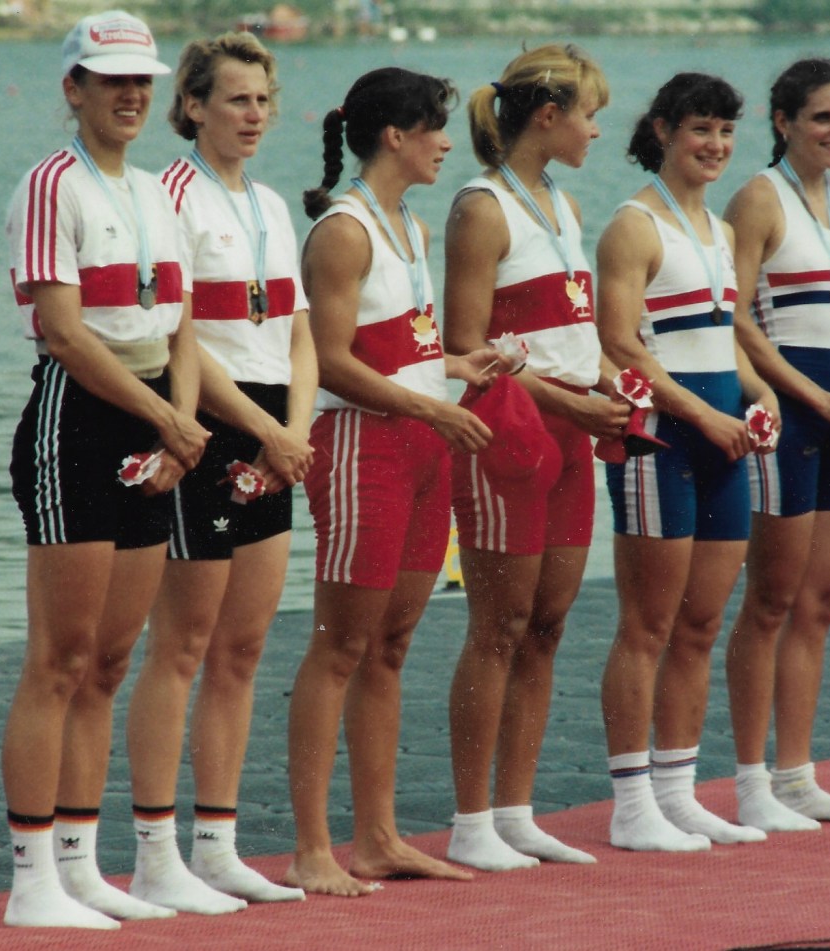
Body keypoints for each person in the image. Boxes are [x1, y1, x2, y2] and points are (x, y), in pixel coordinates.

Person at [1, 10, 210, 929]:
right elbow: (63, 329)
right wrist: (165, 416)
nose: (132, 94)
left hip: (159, 421)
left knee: (113, 658)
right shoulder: (53, 185)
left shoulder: (160, 191)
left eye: (143, 81)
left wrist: (183, 423)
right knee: (59, 657)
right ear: (73, 89)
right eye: (111, 79)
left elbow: (181, 328)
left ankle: (83, 865)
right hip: (77, 421)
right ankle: (30, 878)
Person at [284, 67, 499, 898]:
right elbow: (330, 361)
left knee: (393, 644)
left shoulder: (408, 222)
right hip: (359, 445)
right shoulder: (343, 231)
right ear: (394, 137)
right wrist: (433, 407)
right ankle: (311, 847)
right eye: (435, 128)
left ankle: (377, 837)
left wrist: (456, 366)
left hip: (419, 440)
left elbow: (396, 344)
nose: (449, 141)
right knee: (339, 645)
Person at [122, 32, 317, 914]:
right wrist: (262, 429)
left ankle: (220, 845)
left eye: (262, 101)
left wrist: (297, 430)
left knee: (242, 649)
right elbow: (182, 338)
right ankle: (157, 851)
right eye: (235, 100)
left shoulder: (274, 205)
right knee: (183, 647)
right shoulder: (170, 194)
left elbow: (301, 332)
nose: (252, 115)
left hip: (278, 430)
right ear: (193, 105)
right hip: (206, 425)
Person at [442, 44, 630, 872]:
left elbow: (568, 330)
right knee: (499, 625)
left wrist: (610, 381)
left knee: (547, 626)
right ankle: (470, 818)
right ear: (547, 117)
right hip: (510, 432)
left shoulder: (564, 203)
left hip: (573, 431)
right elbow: (464, 346)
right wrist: (572, 397)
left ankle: (516, 811)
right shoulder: (482, 207)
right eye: (590, 113)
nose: (598, 128)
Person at [596, 73, 778, 852]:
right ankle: (631, 801)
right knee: (648, 623)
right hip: (660, 439)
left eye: (726, 132)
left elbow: (724, 337)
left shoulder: (720, 230)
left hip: (722, 436)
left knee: (702, 622)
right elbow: (619, 341)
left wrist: (760, 393)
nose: (716, 146)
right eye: (701, 129)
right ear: (664, 130)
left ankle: (679, 789)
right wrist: (702, 413)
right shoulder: (633, 226)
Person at [723, 58, 830, 831]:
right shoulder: (756, 200)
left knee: (820, 602)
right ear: (782, 120)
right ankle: (751, 779)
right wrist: (810, 395)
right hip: (789, 415)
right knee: (769, 600)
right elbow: (735, 320)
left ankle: (797, 776)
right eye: (823, 117)